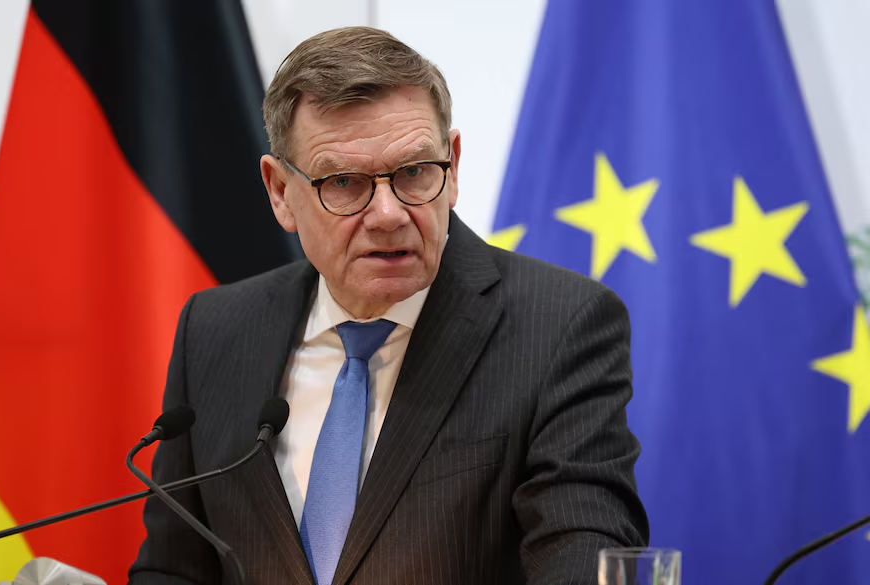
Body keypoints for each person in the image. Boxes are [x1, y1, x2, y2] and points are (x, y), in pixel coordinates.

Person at [128, 26, 648, 585]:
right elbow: (174, 569)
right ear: (280, 192)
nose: (388, 214)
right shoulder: (214, 330)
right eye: (344, 182)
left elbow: (585, 557)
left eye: (414, 173)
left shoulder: (560, 326)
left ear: (452, 165)